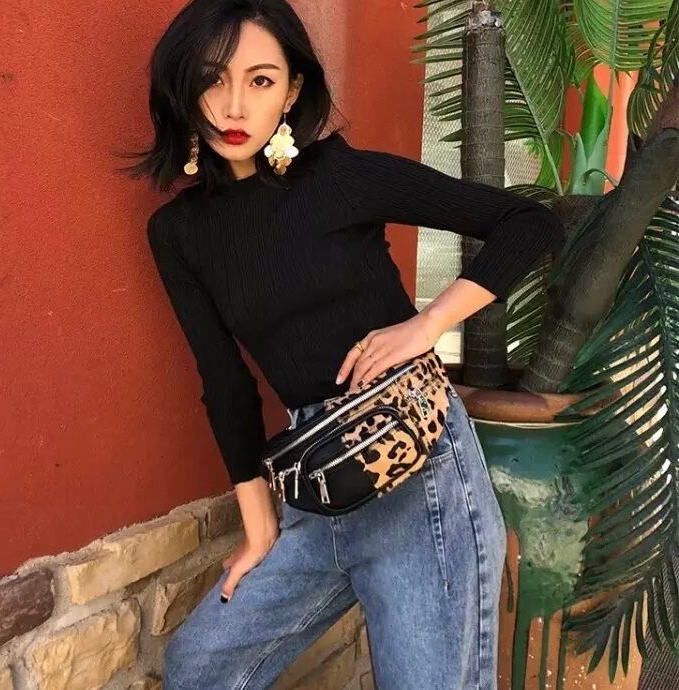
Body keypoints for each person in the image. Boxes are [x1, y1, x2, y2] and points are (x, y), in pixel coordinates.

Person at [135, 1, 565, 688]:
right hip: (316, 482)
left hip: (417, 473)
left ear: (293, 91)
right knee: (202, 664)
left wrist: (428, 324)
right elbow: (225, 380)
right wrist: (259, 527)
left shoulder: (338, 177)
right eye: (213, 79)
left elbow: (526, 223)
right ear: (183, 88)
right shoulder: (180, 234)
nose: (234, 105)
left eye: (261, 80)